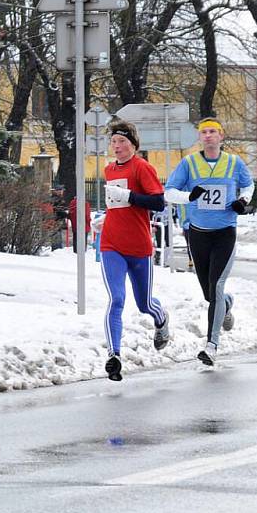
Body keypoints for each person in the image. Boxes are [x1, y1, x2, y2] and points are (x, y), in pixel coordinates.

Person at [164, 117, 254, 366]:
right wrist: (188, 196)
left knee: (215, 286)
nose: (208, 136)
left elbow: (249, 185)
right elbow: (169, 191)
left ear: (221, 136)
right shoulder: (189, 163)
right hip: (198, 233)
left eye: (213, 131)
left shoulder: (234, 163)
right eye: (204, 132)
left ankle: (211, 346)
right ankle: (227, 303)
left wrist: (242, 201)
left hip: (225, 232)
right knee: (209, 293)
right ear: (200, 137)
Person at [94, 120, 168, 382]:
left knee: (144, 304)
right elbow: (116, 204)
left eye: (122, 141)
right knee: (116, 300)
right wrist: (103, 218)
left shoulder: (142, 168)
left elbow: (158, 202)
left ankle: (161, 320)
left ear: (133, 144)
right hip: (111, 244)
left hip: (139, 247)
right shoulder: (108, 169)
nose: (117, 146)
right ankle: (114, 356)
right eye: (113, 142)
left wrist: (130, 198)